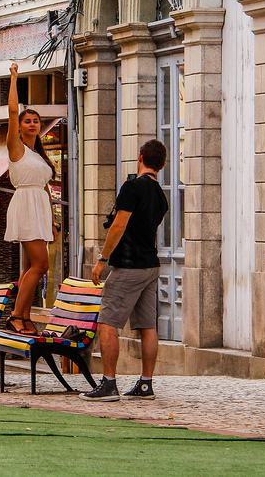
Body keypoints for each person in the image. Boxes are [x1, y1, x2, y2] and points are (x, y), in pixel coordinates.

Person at [82, 139, 168, 402]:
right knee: (147, 326)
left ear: (139, 157)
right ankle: (146, 383)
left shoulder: (132, 187)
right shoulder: (161, 195)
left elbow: (118, 226)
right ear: (163, 165)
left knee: (108, 322)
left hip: (128, 266)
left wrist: (102, 259)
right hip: (151, 266)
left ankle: (109, 384)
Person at [3, 62, 57, 335]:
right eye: (28, 120)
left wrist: (53, 223)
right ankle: (16, 315)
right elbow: (13, 111)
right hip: (25, 206)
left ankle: (23, 316)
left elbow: (46, 188)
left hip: (39, 209)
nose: (32, 123)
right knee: (41, 264)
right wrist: (14, 79)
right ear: (21, 127)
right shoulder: (16, 147)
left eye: (36, 120)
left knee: (29, 267)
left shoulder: (38, 155)